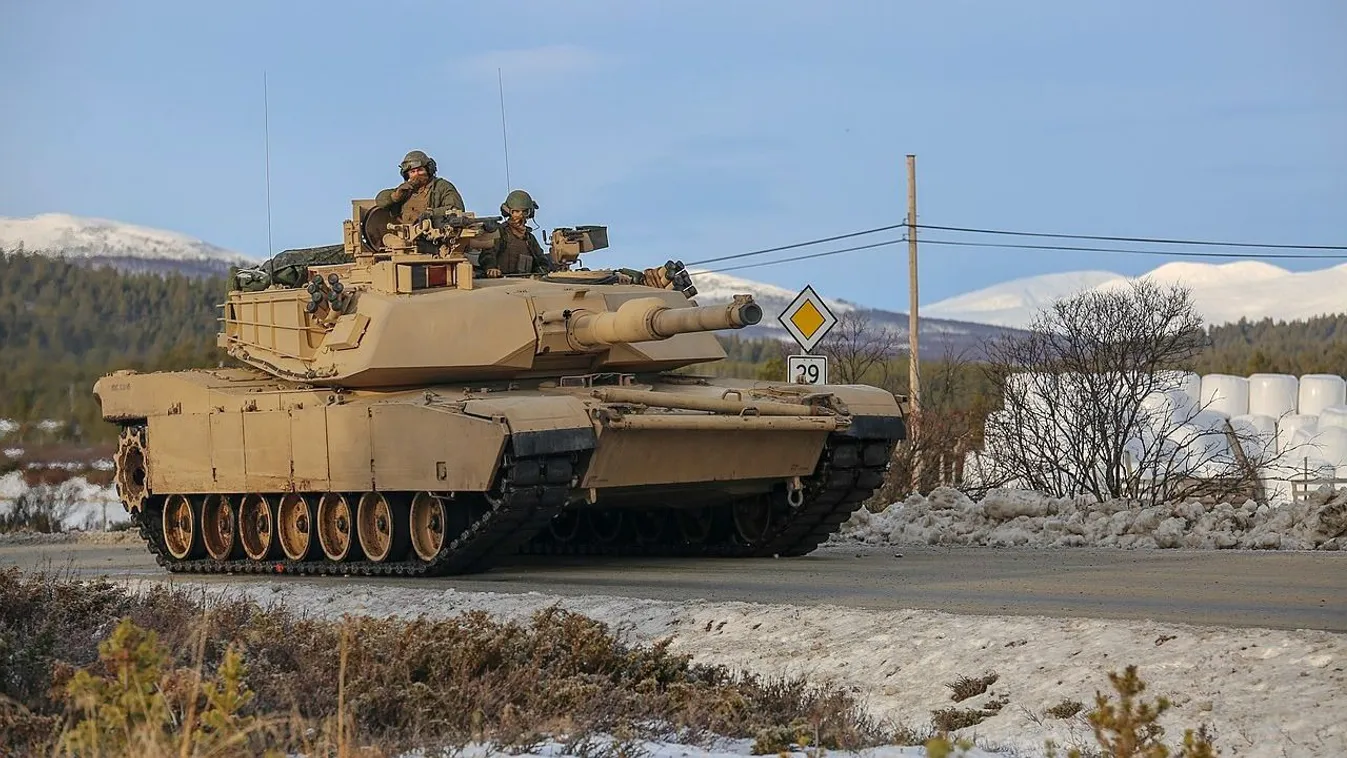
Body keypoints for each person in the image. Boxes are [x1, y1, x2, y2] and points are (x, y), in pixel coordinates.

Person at [375, 150, 465, 224]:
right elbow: (380, 200)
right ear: (407, 175)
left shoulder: (441, 186)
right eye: (412, 172)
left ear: (429, 170)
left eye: (420, 170)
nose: (416, 174)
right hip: (406, 238)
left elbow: (456, 208)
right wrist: (395, 196)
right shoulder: (405, 190)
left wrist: (431, 214)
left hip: (435, 236)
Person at [479, 189, 550, 277]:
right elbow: (488, 254)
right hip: (501, 280)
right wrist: (490, 267)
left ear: (530, 214)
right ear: (508, 212)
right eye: (516, 211)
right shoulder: (500, 233)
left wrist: (539, 272)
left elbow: (542, 262)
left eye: (525, 212)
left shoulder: (529, 239)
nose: (520, 215)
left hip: (525, 282)